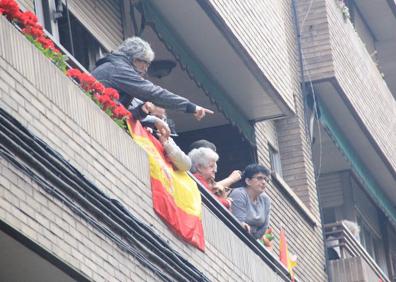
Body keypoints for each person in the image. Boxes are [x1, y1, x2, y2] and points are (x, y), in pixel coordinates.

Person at [91, 36, 213, 122]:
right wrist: (190, 106)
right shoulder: (120, 69)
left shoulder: (114, 65)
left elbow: (126, 111)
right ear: (136, 59)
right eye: (146, 63)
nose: (146, 69)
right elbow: (153, 93)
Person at [229, 164, 272, 242]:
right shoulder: (239, 194)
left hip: (253, 241)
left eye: (266, 179)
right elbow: (239, 222)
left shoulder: (266, 200)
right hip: (236, 237)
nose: (263, 182)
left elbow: (264, 227)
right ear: (248, 181)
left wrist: (254, 237)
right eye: (259, 178)